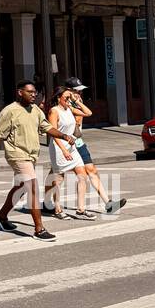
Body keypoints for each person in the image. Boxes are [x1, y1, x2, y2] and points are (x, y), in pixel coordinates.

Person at [0, 79, 71, 242]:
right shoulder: (9, 111)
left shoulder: (35, 109)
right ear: (20, 92)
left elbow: (47, 127)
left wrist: (64, 135)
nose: (33, 95)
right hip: (17, 154)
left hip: (31, 156)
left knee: (20, 187)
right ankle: (39, 229)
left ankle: (2, 216)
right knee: (32, 187)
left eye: (35, 92)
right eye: (30, 92)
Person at [58, 78, 127, 216]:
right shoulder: (62, 104)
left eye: (80, 91)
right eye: (76, 90)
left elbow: (86, 115)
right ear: (68, 90)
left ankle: (108, 204)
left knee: (91, 171)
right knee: (59, 175)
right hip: (66, 143)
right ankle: (50, 203)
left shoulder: (78, 102)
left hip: (78, 142)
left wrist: (77, 102)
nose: (79, 93)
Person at [43, 86, 99, 220]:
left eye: (70, 97)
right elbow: (53, 133)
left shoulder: (69, 109)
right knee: (59, 179)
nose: (69, 100)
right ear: (58, 98)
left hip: (72, 147)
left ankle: (81, 209)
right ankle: (57, 209)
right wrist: (63, 150)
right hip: (59, 147)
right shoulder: (54, 111)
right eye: (66, 97)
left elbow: (88, 113)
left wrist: (76, 101)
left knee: (82, 175)